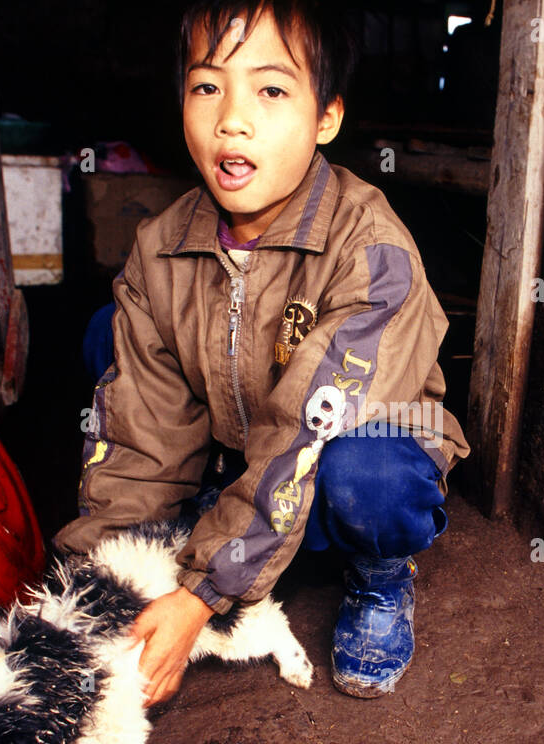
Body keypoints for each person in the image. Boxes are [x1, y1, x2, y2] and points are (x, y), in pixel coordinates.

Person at [53, 0, 468, 704]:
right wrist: (101, 585)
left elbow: (308, 427)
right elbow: (140, 436)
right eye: (207, 86)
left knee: (367, 475)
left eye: (271, 90)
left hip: (347, 452)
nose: (232, 119)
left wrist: (198, 598)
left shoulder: (372, 250)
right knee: (105, 331)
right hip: (244, 452)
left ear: (327, 117)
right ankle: (233, 528)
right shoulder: (161, 247)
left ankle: (379, 575)